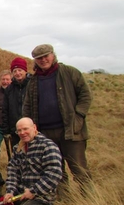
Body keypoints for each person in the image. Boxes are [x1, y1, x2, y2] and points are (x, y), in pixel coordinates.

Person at [22, 44, 93, 197]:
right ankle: (63, 199)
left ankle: (90, 199)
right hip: (45, 134)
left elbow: (86, 95)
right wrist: (30, 128)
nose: (43, 60)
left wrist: (78, 116)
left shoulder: (69, 72)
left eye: (46, 56)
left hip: (70, 130)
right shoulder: (34, 81)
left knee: (79, 168)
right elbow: (27, 105)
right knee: (55, 171)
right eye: (38, 58)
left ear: (53, 55)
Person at [3, 118, 62, 205]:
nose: (22, 133)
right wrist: (10, 191)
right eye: (19, 131)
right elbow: (13, 173)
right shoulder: (17, 149)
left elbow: (54, 174)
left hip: (41, 198)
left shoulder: (47, 146)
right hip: (19, 196)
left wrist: (34, 191)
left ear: (34, 127)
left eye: (25, 129)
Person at [2, 57, 31, 147]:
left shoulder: (33, 84)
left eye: (20, 70)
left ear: (25, 70)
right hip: (16, 130)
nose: (17, 73)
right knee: (18, 155)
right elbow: (5, 110)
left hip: (31, 129)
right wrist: (6, 130)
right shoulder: (9, 89)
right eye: (15, 71)